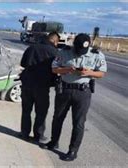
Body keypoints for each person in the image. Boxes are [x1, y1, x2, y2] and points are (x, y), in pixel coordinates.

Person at [40, 33, 107, 161]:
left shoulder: (97, 55)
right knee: (57, 118)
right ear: (74, 45)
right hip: (64, 89)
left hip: (82, 93)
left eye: (83, 51)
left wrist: (89, 73)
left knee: (78, 123)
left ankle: (72, 151)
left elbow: (102, 73)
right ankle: (54, 142)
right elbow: (54, 69)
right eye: (78, 50)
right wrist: (66, 70)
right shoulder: (64, 52)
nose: (80, 53)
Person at [19, 32, 60, 142]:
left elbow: (23, 64)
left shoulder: (31, 48)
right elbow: (56, 70)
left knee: (26, 110)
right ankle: (38, 135)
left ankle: (24, 133)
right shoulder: (55, 52)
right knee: (41, 112)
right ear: (55, 41)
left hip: (27, 84)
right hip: (43, 86)